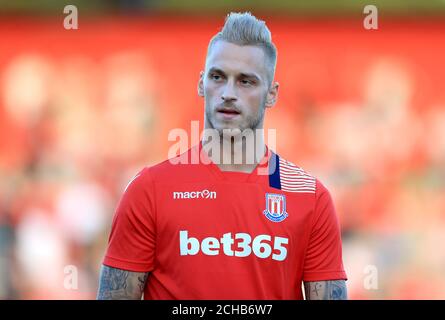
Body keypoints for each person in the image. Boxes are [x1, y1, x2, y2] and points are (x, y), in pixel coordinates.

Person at [97, 12, 347, 300]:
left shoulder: (310, 198)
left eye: (246, 81)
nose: (228, 93)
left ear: (272, 94)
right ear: (202, 83)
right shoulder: (150, 190)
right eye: (218, 77)